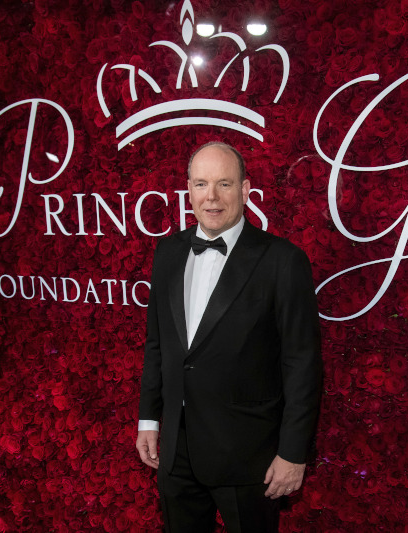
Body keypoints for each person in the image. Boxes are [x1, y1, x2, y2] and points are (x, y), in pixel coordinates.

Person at [136, 141, 322, 532]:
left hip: (250, 457)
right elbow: (157, 344)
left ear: (245, 189)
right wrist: (149, 421)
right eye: (201, 184)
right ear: (188, 190)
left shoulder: (282, 261)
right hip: (177, 451)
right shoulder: (167, 253)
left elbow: (302, 364)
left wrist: (293, 453)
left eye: (224, 183)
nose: (212, 197)